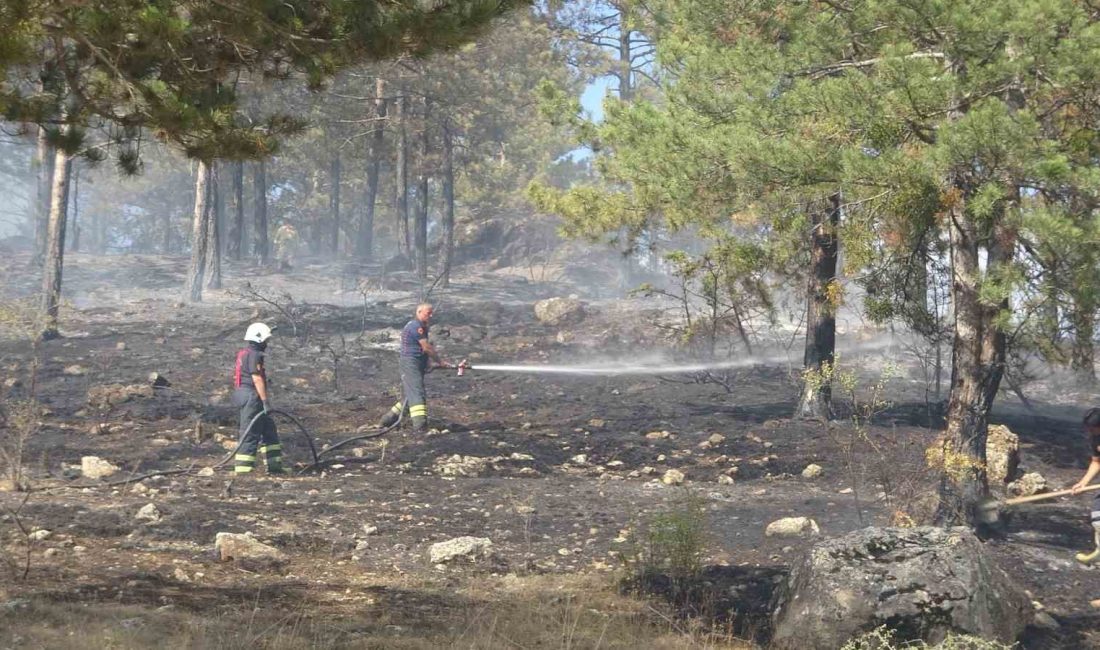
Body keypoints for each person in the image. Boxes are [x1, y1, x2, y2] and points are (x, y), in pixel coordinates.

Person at [379, 303, 453, 432]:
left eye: (431, 313)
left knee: (411, 395)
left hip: (415, 362)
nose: (431, 315)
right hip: (410, 363)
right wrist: (440, 361)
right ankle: (420, 427)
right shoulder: (416, 326)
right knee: (417, 394)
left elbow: (419, 349)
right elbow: (426, 347)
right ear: (418, 312)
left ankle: (387, 420)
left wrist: (428, 364)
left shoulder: (421, 327)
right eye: (428, 313)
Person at [232, 322, 288, 474]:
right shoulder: (254, 355)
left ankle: (275, 466)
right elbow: (257, 378)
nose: (267, 343)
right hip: (251, 396)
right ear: (259, 339)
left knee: (268, 428)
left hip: (244, 394)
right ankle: (243, 470)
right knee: (250, 432)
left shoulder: (245, 353)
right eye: (266, 340)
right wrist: (264, 401)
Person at [1071, 408, 1100, 562]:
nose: (1089, 431)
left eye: (1092, 428)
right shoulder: (1095, 439)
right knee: (1098, 516)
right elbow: (1097, 462)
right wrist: (1083, 483)